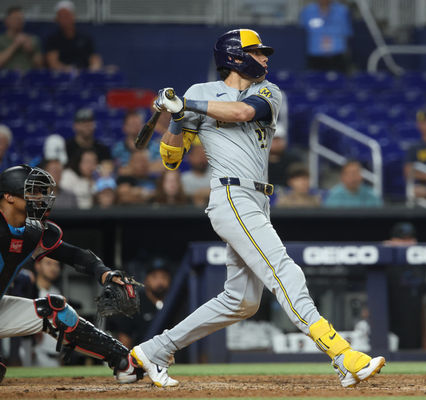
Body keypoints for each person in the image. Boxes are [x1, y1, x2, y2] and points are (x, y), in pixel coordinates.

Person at [129, 29, 385, 388]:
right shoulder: (199, 93)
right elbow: (171, 159)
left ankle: (156, 349)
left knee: (242, 301)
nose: (265, 59)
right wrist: (174, 117)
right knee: (285, 271)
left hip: (258, 200)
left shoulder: (267, 92)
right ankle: (342, 354)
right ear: (235, 56)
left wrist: (186, 106)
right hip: (230, 195)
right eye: (258, 52)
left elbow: (242, 111)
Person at [0, 165, 142, 383]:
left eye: (41, 192)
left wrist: (103, 273)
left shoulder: (33, 231)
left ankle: (123, 360)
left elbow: (74, 255)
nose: (40, 198)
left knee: (56, 311)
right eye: (33, 191)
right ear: (8, 196)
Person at [108, 260, 172, 350]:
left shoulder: (174, 303)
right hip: (142, 358)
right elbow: (125, 337)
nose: (160, 281)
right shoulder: (134, 304)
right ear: (146, 280)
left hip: (173, 358)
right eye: (155, 277)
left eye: (164, 277)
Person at [45, 0, 102, 71]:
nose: (64, 19)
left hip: (83, 77)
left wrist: (94, 68)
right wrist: (68, 70)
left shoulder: (85, 38)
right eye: (61, 16)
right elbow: (53, 63)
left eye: (66, 15)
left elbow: (94, 58)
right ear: (57, 19)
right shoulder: (52, 39)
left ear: (73, 16)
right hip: (61, 78)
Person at [299, 0, 353, 72]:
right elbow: (302, 31)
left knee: (340, 80)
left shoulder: (342, 11)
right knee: (315, 80)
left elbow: (348, 32)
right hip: (315, 56)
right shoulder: (307, 11)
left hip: (338, 55)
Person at [111, 110, 163, 175]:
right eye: (132, 124)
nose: (136, 127)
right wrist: (147, 167)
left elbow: (162, 167)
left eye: (138, 124)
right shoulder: (118, 149)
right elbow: (117, 170)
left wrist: (132, 169)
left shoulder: (155, 147)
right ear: (125, 127)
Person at [32, 257, 62, 367]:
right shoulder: (30, 292)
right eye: (48, 263)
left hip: (55, 355)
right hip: (34, 354)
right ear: (37, 266)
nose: (53, 268)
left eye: (56, 264)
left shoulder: (57, 293)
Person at [65, 108, 113, 172]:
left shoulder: (102, 149)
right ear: (75, 126)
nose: (86, 125)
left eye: (90, 121)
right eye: (82, 122)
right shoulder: (66, 147)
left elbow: (108, 170)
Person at [0, 6, 42, 71]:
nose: (19, 21)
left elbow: (40, 66)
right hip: (6, 78)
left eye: (21, 19)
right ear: (7, 21)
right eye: (15, 19)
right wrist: (15, 45)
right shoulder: (1, 40)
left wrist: (31, 51)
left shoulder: (33, 39)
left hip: (28, 77)